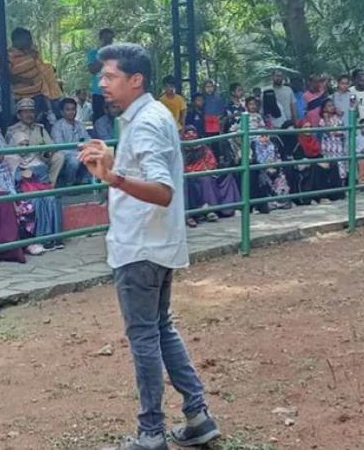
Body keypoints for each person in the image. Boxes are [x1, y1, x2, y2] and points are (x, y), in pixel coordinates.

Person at [78, 43, 219, 450]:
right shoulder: (147, 117)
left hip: (140, 245)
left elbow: (162, 190)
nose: (101, 83)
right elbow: (145, 165)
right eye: (102, 76)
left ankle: (151, 432)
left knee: (144, 336)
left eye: (110, 76)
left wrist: (114, 178)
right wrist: (113, 158)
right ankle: (197, 415)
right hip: (153, 243)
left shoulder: (145, 123)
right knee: (160, 328)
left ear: (135, 79)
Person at [10, 131, 65, 251]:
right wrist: (20, 174)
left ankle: (56, 238)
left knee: (51, 198)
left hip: (37, 187)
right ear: (14, 145)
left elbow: (44, 176)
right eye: (20, 144)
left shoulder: (33, 157)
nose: (24, 147)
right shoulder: (10, 159)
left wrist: (32, 171)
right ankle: (41, 238)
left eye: (26, 144)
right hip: (20, 192)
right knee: (36, 200)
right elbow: (10, 181)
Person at [182, 126, 240, 227]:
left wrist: (206, 169)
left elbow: (211, 162)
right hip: (190, 175)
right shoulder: (182, 149)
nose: (191, 135)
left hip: (205, 172)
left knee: (214, 177)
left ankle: (215, 209)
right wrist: (193, 171)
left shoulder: (204, 148)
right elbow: (181, 165)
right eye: (188, 133)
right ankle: (204, 210)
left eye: (193, 132)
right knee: (198, 180)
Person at [6, 98, 65, 185]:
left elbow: (51, 146)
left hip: (41, 158)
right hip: (24, 163)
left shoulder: (40, 128)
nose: (29, 115)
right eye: (25, 112)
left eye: (31, 112)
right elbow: (10, 154)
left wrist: (46, 154)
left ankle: (50, 186)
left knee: (59, 157)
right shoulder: (12, 130)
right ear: (19, 115)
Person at [9, 27, 62, 121]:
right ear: (17, 40)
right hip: (24, 96)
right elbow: (5, 75)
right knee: (30, 120)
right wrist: (23, 80)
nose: (30, 42)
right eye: (27, 39)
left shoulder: (32, 51)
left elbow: (40, 65)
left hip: (41, 92)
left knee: (54, 113)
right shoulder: (10, 55)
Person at [50, 98, 92, 186]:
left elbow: (88, 139)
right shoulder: (57, 126)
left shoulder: (79, 125)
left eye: (73, 109)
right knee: (74, 160)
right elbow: (59, 147)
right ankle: (69, 184)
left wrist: (85, 147)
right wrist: (77, 151)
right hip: (65, 156)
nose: (71, 112)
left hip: (79, 153)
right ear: (62, 112)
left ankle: (85, 183)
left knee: (93, 155)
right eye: (68, 110)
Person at [87, 28, 115, 123]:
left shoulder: (117, 54)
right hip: (99, 93)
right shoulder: (93, 53)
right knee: (99, 120)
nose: (108, 41)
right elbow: (92, 70)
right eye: (105, 38)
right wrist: (103, 55)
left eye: (110, 38)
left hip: (114, 92)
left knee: (114, 119)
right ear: (100, 38)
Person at [319, 98, 347, 182]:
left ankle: (341, 185)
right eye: (329, 106)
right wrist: (326, 118)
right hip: (327, 148)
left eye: (332, 105)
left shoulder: (338, 119)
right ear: (324, 109)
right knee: (329, 167)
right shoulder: (322, 120)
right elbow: (327, 132)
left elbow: (339, 132)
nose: (332, 107)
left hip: (337, 148)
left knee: (340, 166)